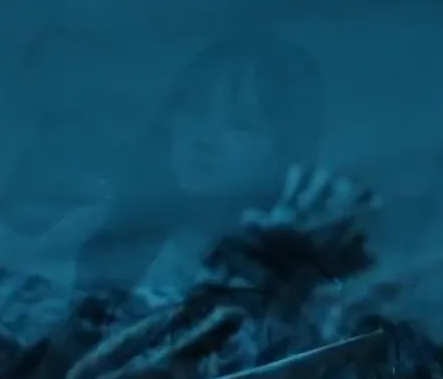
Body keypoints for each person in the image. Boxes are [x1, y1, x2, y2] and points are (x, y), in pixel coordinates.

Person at [73, 34, 325, 291]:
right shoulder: (109, 245)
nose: (203, 139)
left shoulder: (296, 280)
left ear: (285, 147)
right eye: (195, 110)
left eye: (239, 124)